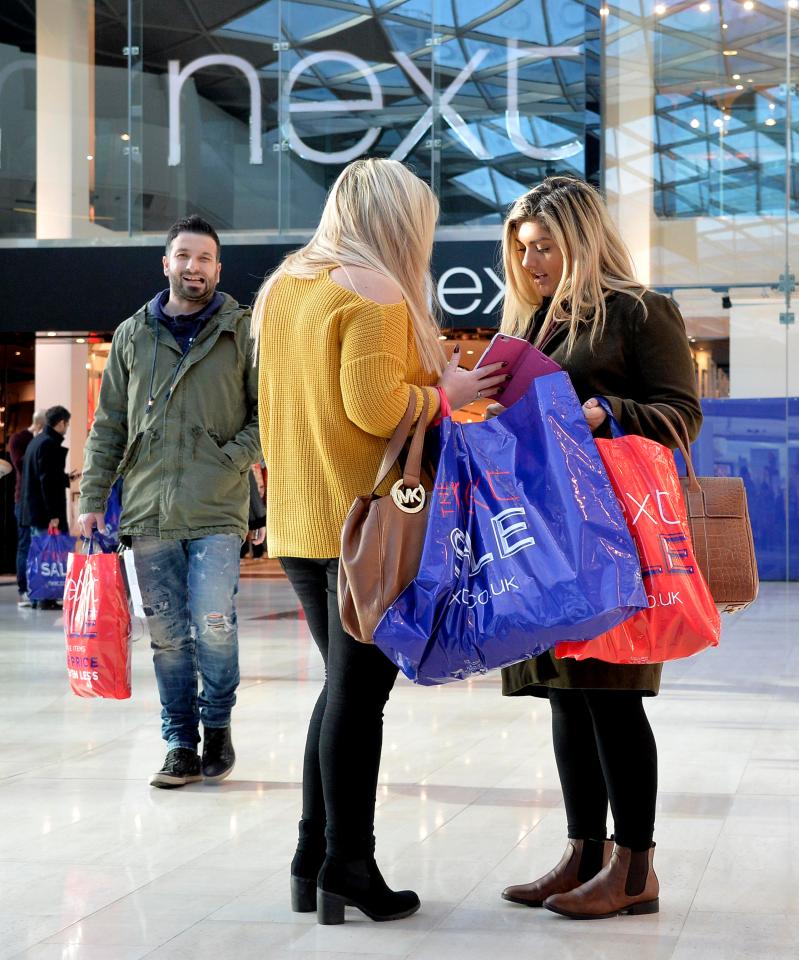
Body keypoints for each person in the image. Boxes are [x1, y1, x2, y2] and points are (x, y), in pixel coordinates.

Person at [253, 157, 505, 924]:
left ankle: (311, 855)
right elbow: (372, 406)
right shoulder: (378, 289)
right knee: (360, 700)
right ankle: (347, 867)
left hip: (303, 524)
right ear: (400, 222)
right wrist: (447, 392)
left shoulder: (287, 285)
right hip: (366, 521)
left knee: (339, 692)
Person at [494, 177, 702, 919]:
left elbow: (681, 415)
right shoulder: (532, 322)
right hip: (545, 538)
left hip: (612, 537)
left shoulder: (641, 312)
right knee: (563, 697)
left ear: (581, 240)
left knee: (612, 699)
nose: (533, 261)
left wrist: (603, 411)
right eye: (522, 249)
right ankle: (583, 853)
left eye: (545, 245)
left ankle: (634, 867)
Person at [78, 215, 262, 789]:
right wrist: (91, 495)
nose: (194, 267)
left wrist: (228, 459)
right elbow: (109, 425)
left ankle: (218, 725)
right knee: (167, 635)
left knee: (213, 623)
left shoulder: (242, 332)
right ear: (166, 263)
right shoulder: (133, 335)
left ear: (218, 268)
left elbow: (270, 414)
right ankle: (179, 741)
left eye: (205, 258)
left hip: (217, 507)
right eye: (184, 256)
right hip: (149, 510)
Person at [8, 409, 46, 606]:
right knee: (25, 544)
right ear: (39, 425)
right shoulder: (18, 439)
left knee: (40, 544)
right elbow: (22, 466)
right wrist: (37, 443)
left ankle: (40, 588)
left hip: (40, 501)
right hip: (23, 501)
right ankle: (24, 589)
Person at [21, 406, 73, 538]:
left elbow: (43, 476)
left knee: (39, 556)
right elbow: (47, 483)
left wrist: (65, 478)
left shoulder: (36, 441)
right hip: (44, 516)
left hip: (35, 513)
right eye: (67, 424)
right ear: (61, 423)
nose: (67, 429)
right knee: (50, 557)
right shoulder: (48, 444)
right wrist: (53, 515)